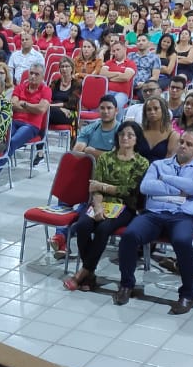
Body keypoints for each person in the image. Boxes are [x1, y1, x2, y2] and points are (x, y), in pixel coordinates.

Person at [115, 129, 193, 312]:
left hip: (183, 217)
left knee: (182, 241)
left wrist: (166, 179)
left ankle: (187, 294)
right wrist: (181, 190)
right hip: (154, 214)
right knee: (130, 235)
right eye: (181, 142)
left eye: (189, 144)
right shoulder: (158, 164)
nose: (183, 146)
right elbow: (146, 187)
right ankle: (126, 284)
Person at [64, 122, 149, 293]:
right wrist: (97, 207)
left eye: (130, 135)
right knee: (82, 225)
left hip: (125, 206)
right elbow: (94, 187)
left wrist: (103, 186)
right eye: (122, 134)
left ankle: (83, 272)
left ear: (137, 139)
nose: (125, 138)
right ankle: (89, 275)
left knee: (103, 228)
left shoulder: (141, 163)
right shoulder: (105, 158)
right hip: (101, 203)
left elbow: (129, 191)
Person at [8, 62, 52, 157]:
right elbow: (12, 104)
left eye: (36, 74)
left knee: (13, 141)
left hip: (31, 125)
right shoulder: (20, 87)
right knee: (3, 139)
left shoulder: (46, 90)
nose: (33, 76)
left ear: (42, 77)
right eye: (31, 73)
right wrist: (33, 108)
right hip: (14, 121)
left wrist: (24, 104)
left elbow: (41, 109)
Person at [135, 96, 176, 162]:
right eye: (149, 109)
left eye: (156, 108)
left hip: (161, 168)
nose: (152, 112)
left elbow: (169, 161)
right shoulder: (139, 131)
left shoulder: (172, 134)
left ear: (163, 110)